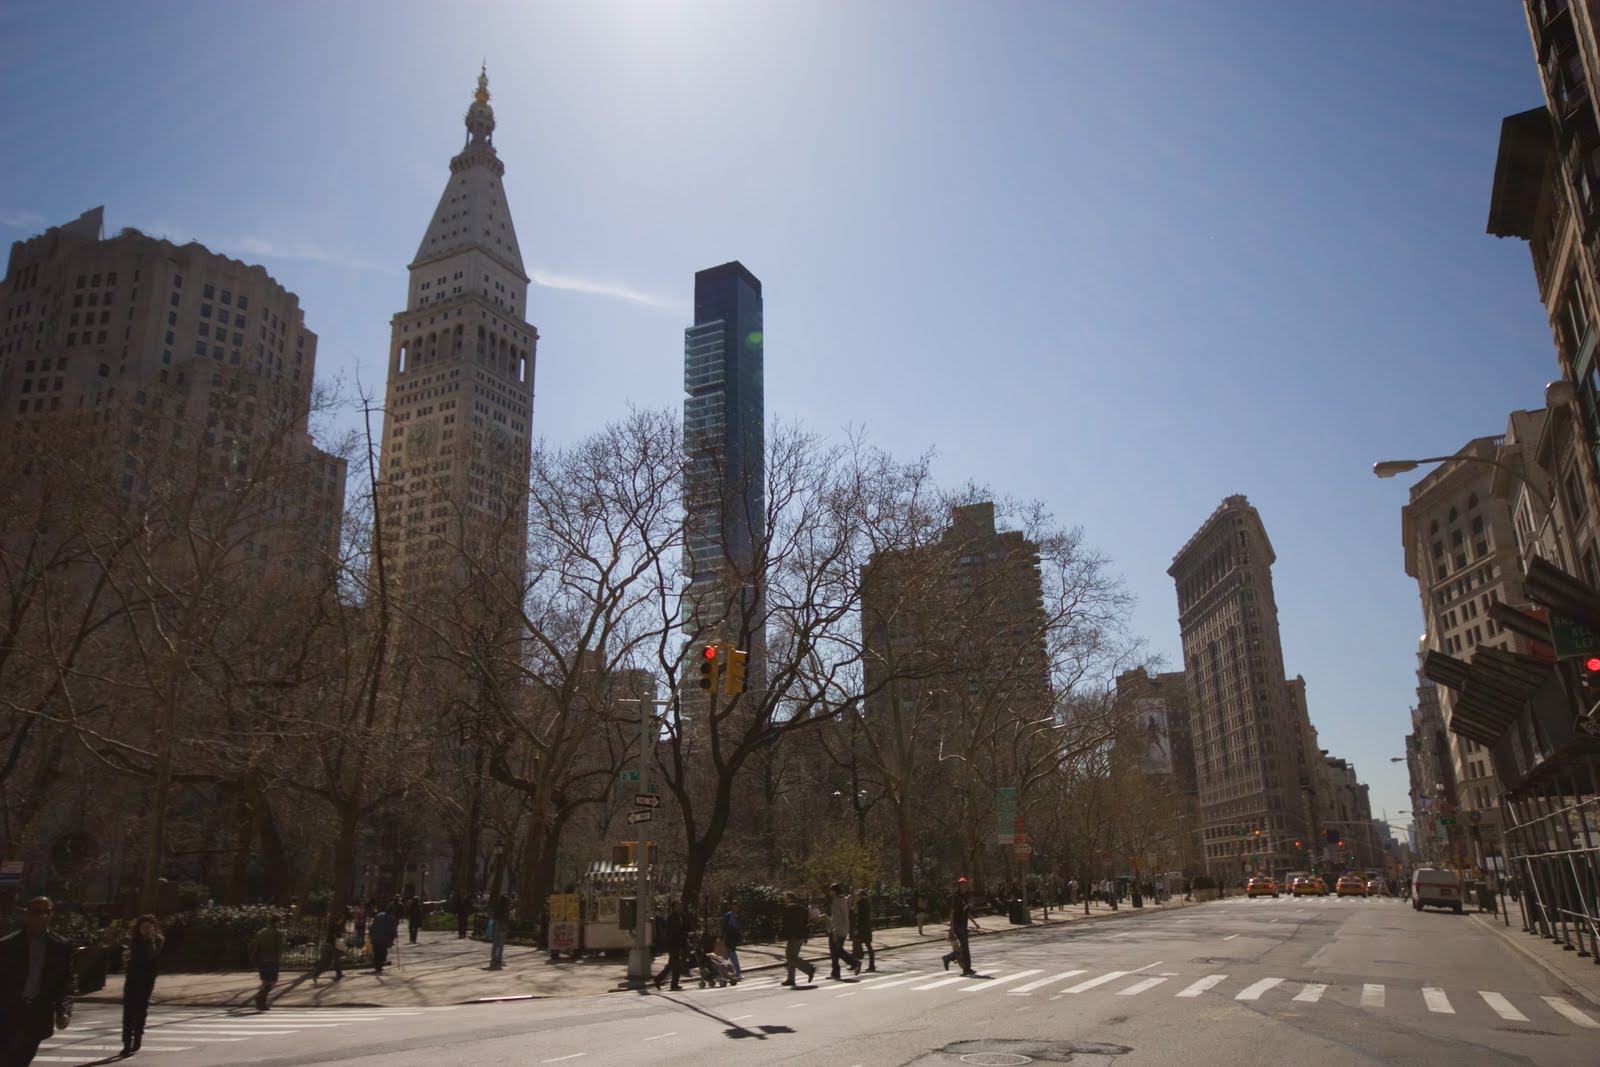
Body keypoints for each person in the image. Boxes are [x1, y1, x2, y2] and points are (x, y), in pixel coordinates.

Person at [0, 896, 74, 1067]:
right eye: (37, 912)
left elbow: (65, 982)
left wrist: (64, 1011)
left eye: (46, 912)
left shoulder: (61, 945)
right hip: (8, 1012)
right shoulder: (7, 945)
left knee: (23, 1058)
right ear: (27, 915)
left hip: (37, 1013)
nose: (42, 916)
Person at [120, 913, 164, 1054]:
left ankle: (137, 1039)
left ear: (153, 928)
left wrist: (149, 938)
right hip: (132, 977)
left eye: (148, 927)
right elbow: (130, 956)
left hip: (146, 979)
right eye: (142, 927)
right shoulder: (134, 940)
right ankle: (126, 1042)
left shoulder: (158, 940)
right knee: (128, 1010)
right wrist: (127, 957)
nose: (144, 929)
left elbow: (151, 955)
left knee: (140, 1009)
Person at [941, 877, 981, 977]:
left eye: (965, 885)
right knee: (964, 947)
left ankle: (964, 966)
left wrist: (974, 923)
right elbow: (952, 913)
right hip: (957, 925)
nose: (963, 887)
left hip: (963, 924)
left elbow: (966, 912)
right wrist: (952, 928)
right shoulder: (956, 897)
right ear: (959, 886)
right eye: (961, 885)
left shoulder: (965, 897)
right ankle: (953, 960)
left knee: (965, 947)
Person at [780, 891, 816, 986]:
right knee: (793, 957)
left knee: (790, 956)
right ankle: (791, 979)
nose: (784, 899)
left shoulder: (789, 908)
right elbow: (806, 922)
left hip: (793, 936)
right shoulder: (802, 908)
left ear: (789, 898)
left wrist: (782, 935)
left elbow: (785, 923)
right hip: (801, 935)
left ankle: (809, 968)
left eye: (785, 897)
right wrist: (805, 936)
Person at [826, 883, 861, 980]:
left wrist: (833, 932)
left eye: (831, 890)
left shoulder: (837, 902)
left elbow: (837, 919)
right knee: (836, 951)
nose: (829, 892)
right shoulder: (843, 901)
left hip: (837, 930)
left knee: (836, 951)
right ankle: (836, 972)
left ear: (835, 891)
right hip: (844, 929)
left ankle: (854, 962)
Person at [249, 913, 283, 1011]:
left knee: (264, 981)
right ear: (276, 922)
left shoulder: (261, 932)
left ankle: (262, 1003)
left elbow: (256, 946)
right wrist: (279, 959)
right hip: (272, 960)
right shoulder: (277, 933)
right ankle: (260, 998)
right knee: (272, 982)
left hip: (261, 960)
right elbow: (279, 949)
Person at [652, 898, 687, 991]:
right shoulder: (672, 918)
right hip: (673, 945)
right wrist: (685, 935)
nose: (681, 907)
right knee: (677, 966)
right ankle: (674, 984)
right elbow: (675, 932)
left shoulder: (681, 916)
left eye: (681, 905)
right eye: (679, 905)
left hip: (677, 944)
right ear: (674, 907)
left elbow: (683, 929)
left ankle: (658, 979)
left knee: (671, 965)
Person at [368, 902, 398, 976]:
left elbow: (373, 925)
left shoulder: (378, 915)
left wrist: (371, 934)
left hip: (375, 937)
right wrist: (394, 935)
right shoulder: (391, 917)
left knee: (376, 952)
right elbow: (392, 928)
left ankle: (377, 966)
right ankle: (379, 966)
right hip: (383, 938)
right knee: (382, 952)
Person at [316, 910, 344, 983]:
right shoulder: (335, 926)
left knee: (335, 960)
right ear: (339, 919)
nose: (342, 921)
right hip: (332, 945)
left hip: (331, 944)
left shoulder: (334, 925)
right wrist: (340, 936)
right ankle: (316, 974)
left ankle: (339, 974)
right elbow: (334, 935)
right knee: (328, 962)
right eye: (341, 919)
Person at [719, 900, 743, 979]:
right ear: (732, 906)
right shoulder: (728, 915)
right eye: (735, 906)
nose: (737, 908)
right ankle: (737, 973)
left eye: (738, 906)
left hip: (732, 939)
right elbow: (724, 926)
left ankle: (721, 973)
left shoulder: (736, 917)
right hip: (728, 939)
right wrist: (722, 937)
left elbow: (737, 928)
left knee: (726, 957)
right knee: (732, 956)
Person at [854, 888, 876, 972]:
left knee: (862, 946)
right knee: (863, 945)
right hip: (865, 928)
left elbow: (860, 918)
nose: (857, 897)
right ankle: (869, 964)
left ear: (862, 896)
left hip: (862, 928)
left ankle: (856, 963)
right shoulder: (865, 903)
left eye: (858, 895)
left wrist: (857, 928)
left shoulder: (862, 904)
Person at [488, 894, 510, 970]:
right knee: (501, 946)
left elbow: (494, 917)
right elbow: (507, 919)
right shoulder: (506, 909)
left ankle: (493, 960)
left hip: (497, 928)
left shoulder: (497, 908)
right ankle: (499, 961)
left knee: (495, 945)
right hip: (503, 929)